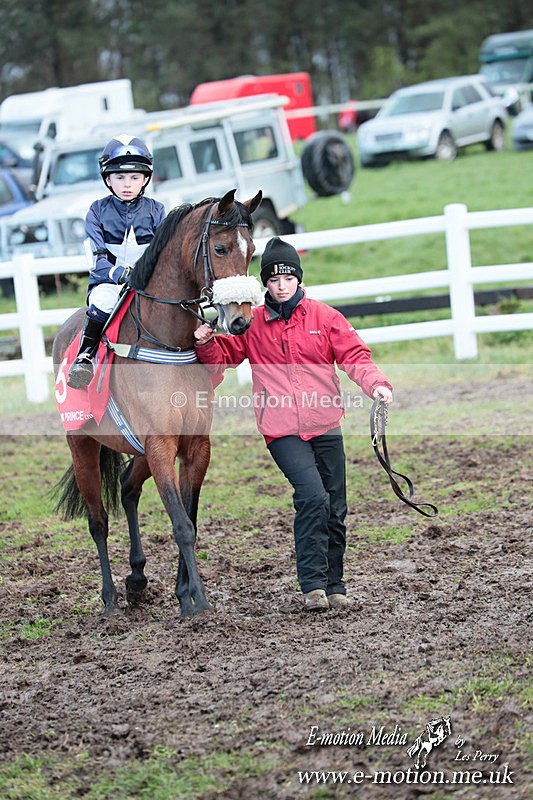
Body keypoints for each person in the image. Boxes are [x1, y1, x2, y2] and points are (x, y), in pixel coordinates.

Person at [194, 237, 393, 612]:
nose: (282, 286)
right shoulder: (253, 323)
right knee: (312, 496)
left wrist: (377, 385)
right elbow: (222, 360)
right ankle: (313, 585)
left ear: (299, 280)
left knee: (335, 506)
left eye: (288, 278)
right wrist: (206, 343)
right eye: (273, 279)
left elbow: (354, 356)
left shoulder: (325, 318)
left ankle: (335, 584)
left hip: (325, 422)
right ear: (265, 284)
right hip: (281, 430)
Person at [67, 134, 166, 389]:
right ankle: (84, 357)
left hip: (149, 285)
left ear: (145, 179)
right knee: (101, 301)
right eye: (120, 177)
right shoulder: (97, 211)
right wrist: (121, 274)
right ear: (107, 179)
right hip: (110, 284)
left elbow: (164, 253)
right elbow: (95, 260)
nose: (127, 184)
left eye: (134, 177)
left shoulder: (157, 210)